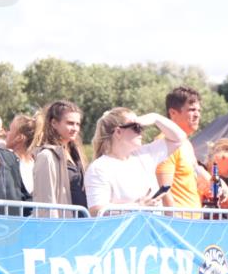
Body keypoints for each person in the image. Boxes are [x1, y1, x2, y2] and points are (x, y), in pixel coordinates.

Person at [84, 108, 187, 217]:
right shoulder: (99, 168)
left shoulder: (145, 155)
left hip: (151, 230)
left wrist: (156, 118)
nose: (141, 131)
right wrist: (138, 207)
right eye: (136, 127)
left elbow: (179, 139)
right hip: (123, 232)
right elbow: (96, 211)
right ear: (118, 132)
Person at [156, 86, 210, 214]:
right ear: (173, 113)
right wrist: (173, 222)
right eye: (191, 110)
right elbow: (164, 190)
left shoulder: (186, 144)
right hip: (177, 223)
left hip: (192, 221)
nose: (197, 115)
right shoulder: (165, 143)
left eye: (198, 110)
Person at [31, 100, 87, 218]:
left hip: (81, 223)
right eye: (70, 123)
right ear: (54, 123)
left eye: (78, 124)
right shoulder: (46, 156)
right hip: (61, 226)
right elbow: (46, 201)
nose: (75, 128)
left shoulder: (76, 154)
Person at [5, 114, 36, 195]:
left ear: (19, 138)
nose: (6, 133)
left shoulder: (7, 161)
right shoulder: (35, 163)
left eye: (10, 130)